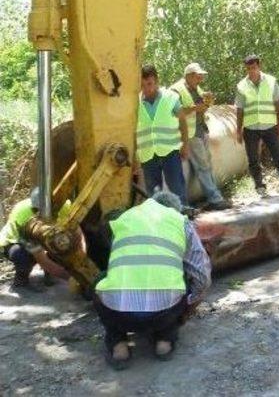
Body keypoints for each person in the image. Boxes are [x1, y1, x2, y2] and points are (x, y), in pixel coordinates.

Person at [94, 190, 211, 368]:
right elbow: (202, 278)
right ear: (174, 210)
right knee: (182, 280)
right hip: (164, 313)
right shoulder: (180, 221)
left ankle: (119, 346)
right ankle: (164, 340)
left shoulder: (125, 218)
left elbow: (116, 264)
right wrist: (187, 309)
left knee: (101, 280)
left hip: (118, 313)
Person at [170, 62, 230, 211]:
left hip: (201, 130)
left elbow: (201, 106)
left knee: (207, 163)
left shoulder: (195, 88)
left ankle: (211, 195)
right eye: (198, 77)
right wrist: (196, 108)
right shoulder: (177, 90)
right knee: (203, 165)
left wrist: (207, 103)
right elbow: (175, 112)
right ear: (189, 76)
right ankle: (215, 199)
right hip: (189, 134)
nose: (200, 80)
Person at [235, 54, 279, 196]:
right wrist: (238, 130)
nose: (251, 71)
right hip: (251, 128)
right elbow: (240, 109)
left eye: (254, 67)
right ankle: (260, 186)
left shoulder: (271, 82)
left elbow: (278, 104)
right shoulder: (241, 86)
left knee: (278, 155)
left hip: (269, 126)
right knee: (253, 158)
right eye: (248, 68)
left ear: (259, 66)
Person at [0, 187, 70, 289]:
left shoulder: (65, 206)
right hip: (14, 242)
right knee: (22, 256)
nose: (39, 213)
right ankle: (21, 280)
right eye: (36, 210)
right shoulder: (22, 212)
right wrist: (69, 278)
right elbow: (41, 259)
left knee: (60, 245)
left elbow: (76, 232)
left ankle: (49, 276)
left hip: (40, 238)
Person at [137, 64, 187, 205]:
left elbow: (182, 121)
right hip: (148, 155)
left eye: (150, 84)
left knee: (177, 189)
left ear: (157, 81)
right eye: (143, 85)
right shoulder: (135, 103)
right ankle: (159, 223)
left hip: (170, 152)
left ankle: (184, 220)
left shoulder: (170, 98)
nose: (147, 88)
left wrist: (185, 145)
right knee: (154, 195)